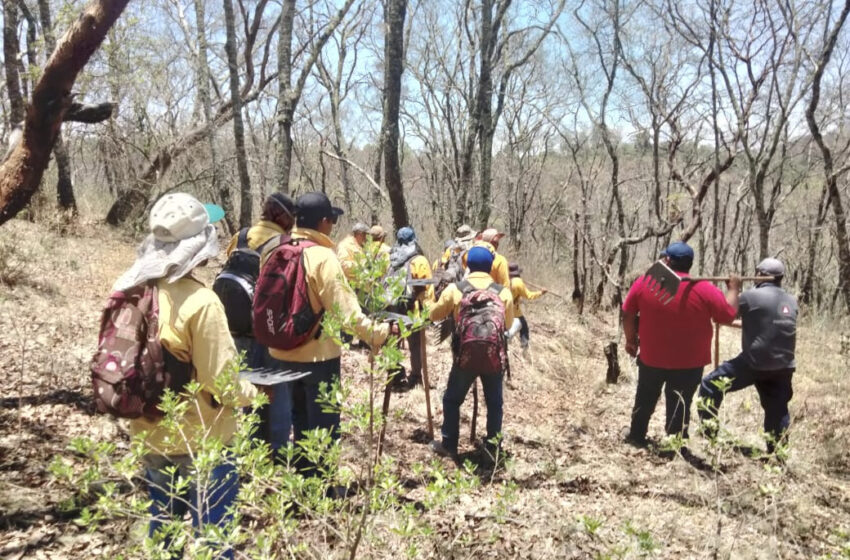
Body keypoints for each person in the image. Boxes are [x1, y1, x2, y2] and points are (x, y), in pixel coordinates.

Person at [112, 192, 258, 558]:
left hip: (149, 433)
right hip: (202, 439)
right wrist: (253, 393)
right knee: (214, 537)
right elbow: (222, 384)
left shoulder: (129, 290)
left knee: (163, 533)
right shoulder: (202, 302)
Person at [265, 192, 391, 467]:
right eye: (331, 221)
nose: (333, 227)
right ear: (322, 222)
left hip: (280, 353)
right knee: (324, 430)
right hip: (317, 358)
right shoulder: (323, 257)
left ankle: (301, 484)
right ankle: (321, 491)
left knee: (299, 425)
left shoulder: (274, 249)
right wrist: (377, 334)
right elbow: (347, 312)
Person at [622, 241, 741, 446]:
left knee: (645, 397)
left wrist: (630, 341)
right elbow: (728, 315)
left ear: (667, 260)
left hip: (653, 358)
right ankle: (674, 444)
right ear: (690, 264)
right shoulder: (705, 289)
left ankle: (637, 436)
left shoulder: (646, 283)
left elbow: (628, 313)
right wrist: (734, 289)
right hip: (689, 364)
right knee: (679, 403)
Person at [698, 258, 798, 453]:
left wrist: (733, 289)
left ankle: (709, 435)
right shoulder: (791, 300)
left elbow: (725, 314)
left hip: (754, 363)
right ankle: (778, 455)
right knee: (777, 410)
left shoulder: (750, 297)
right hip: (784, 366)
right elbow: (768, 322)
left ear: (761, 275)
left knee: (710, 385)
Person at [223, 192, 296, 456]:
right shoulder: (285, 243)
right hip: (269, 332)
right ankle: (275, 452)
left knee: (248, 388)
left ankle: (252, 449)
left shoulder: (241, 236)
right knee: (277, 392)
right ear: (285, 217)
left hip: (235, 327)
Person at [429, 246, 514, 459]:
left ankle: (449, 444)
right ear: (491, 267)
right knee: (494, 403)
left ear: (466, 265)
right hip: (494, 358)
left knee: (452, 400)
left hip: (464, 357)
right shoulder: (503, 292)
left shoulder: (455, 289)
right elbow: (508, 324)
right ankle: (493, 447)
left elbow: (433, 314)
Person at [387, 226, 434, 388]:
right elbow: (426, 289)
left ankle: (394, 375)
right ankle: (415, 376)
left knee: (393, 343)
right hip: (412, 310)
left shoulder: (389, 258)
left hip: (391, 309)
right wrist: (429, 311)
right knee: (415, 345)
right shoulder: (419, 260)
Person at [508, 263, 546, 349]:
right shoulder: (518, 282)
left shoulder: (504, 279)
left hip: (503, 309)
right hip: (514, 311)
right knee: (524, 326)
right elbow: (529, 295)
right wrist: (541, 293)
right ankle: (524, 346)